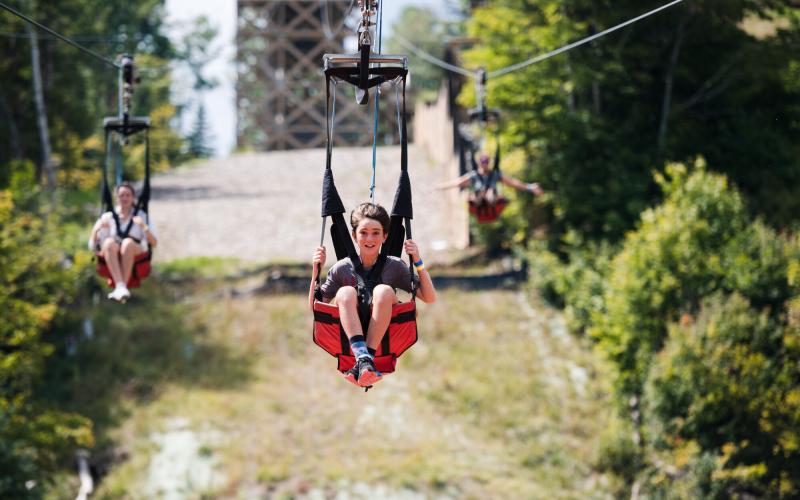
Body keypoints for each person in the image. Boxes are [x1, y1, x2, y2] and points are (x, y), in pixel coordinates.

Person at [309, 202, 436, 388]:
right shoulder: (342, 269)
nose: (370, 238)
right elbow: (315, 309)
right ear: (354, 235)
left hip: (386, 330)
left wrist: (418, 261)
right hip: (351, 329)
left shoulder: (395, 266)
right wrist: (315, 271)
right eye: (363, 232)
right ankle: (363, 358)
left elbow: (429, 297)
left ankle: (364, 359)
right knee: (345, 292)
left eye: (376, 232)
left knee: (383, 291)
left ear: (385, 236)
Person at [88, 183, 157, 302]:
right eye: (121, 195)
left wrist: (143, 226)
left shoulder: (141, 216)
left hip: (134, 250)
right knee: (109, 242)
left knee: (127, 243)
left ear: (133, 197)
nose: (124, 198)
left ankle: (120, 287)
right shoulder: (107, 217)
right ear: (116, 198)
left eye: (128, 195)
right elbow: (92, 246)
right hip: (112, 252)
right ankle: (121, 287)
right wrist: (97, 228)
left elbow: (154, 243)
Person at [436, 151, 544, 204]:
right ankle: (481, 197)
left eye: (487, 161)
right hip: (478, 201)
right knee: (477, 193)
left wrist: (529, 187)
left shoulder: (494, 175)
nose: (485, 164)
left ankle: (488, 197)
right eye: (483, 162)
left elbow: (512, 182)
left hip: (492, 199)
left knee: (491, 191)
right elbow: (457, 183)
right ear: (479, 162)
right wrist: (440, 187)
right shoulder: (474, 176)